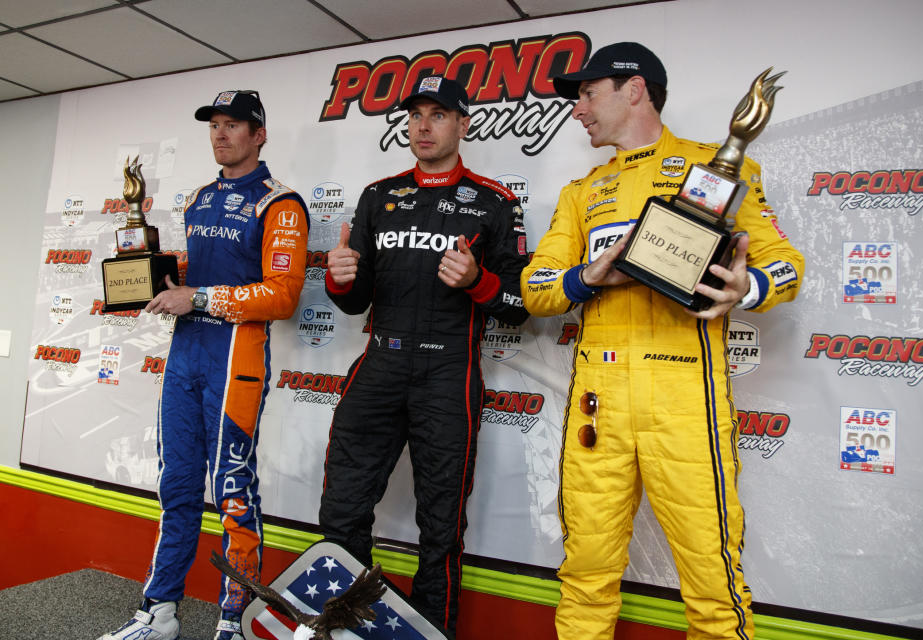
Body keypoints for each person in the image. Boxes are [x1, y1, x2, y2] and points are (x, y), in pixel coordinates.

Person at [521, 43, 804, 640]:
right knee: (586, 575)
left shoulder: (717, 170)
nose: (578, 110)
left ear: (634, 89)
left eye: (587, 93)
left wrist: (744, 288)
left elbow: (787, 267)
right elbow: (538, 288)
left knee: (712, 583)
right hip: (598, 396)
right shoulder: (582, 192)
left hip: (685, 395)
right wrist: (585, 277)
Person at [318, 76, 529, 637]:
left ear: (464, 124)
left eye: (439, 115)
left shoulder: (494, 202)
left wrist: (479, 281)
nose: (424, 125)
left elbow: (519, 306)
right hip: (380, 364)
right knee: (342, 509)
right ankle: (342, 626)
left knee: (440, 526)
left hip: (447, 374)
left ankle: (432, 630)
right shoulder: (377, 195)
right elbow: (354, 299)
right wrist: (340, 281)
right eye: (416, 115)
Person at [98, 90, 309, 640]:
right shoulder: (197, 199)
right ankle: (159, 609)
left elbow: (283, 296)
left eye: (233, 125)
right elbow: (191, 272)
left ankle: (235, 621)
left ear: (258, 134)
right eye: (214, 125)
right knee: (177, 486)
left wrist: (200, 297)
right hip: (185, 355)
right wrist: (146, 272)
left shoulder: (279, 203)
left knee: (235, 489)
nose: (220, 134)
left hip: (235, 358)